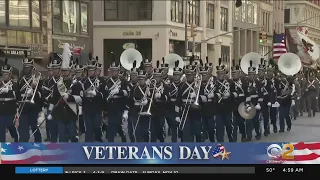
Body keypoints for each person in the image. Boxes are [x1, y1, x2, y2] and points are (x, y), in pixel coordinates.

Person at [49, 58, 83, 142]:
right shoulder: (58, 84)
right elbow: (54, 100)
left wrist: (69, 97)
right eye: (63, 70)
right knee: (62, 139)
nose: (64, 73)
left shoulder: (76, 84)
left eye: (66, 71)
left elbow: (80, 99)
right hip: (60, 115)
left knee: (73, 137)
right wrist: (50, 112)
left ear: (71, 71)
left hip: (72, 114)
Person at [16, 51, 43, 142]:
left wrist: (35, 90)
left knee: (35, 128)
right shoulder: (20, 80)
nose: (26, 69)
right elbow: (17, 94)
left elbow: (41, 95)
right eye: (25, 67)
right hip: (23, 108)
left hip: (33, 108)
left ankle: (38, 144)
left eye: (28, 67)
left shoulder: (37, 79)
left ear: (32, 68)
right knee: (23, 132)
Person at [102, 54, 129, 142]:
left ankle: (122, 136)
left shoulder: (122, 80)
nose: (114, 72)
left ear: (118, 71)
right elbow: (105, 94)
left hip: (119, 107)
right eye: (112, 70)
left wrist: (119, 91)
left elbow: (126, 93)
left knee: (117, 124)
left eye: (115, 70)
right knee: (111, 127)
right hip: (110, 107)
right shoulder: (107, 81)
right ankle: (111, 144)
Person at [82, 53, 104, 142]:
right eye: (89, 70)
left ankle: (99, 143)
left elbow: (104, 95)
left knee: (97, 128)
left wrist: (96, 94)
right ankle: (87, 148)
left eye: (92, 70)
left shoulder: (101, 81)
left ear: (95, 70)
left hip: (97, 108)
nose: (90, 72)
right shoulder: (83, 81)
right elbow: (80, 94)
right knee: (89, 130)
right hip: (87, 109)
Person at [128, 64, 152, 142]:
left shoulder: (149, 88)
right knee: (137, 132)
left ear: (145, 79)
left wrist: (147, 102)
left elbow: (152, 100)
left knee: (145, 131)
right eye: (140, 79)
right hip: (136, 112)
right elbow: (130, 101)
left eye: (143, 79)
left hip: (145, 112)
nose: (141, 80)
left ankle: (146, 145)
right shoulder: (134, 89)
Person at [214, 58, 235, 142]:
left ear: (224, 73)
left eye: (222, 73)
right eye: (218, 73)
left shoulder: (230, 82)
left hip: (228, 109)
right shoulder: (214, 83)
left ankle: (231, 140)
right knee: (219, 129)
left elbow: (235, 94)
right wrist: (216, 95)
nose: (220, 75)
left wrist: (229, 94)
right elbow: (210, 95)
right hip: (218, 110)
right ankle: (220, 147)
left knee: (229, 128)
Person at [150, 61, 169, 142]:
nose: (156, 78)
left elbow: (168, 98)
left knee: (159, 130)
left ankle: (161, 142)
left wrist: (161, 97)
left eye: (158, 77)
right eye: (155, 76)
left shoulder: (166, 86)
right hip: (152, 111)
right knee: (152, 131)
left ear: (161, 77)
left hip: (161, 111)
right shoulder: (150, 86)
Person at [0, 58, 18, 142]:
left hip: (11, 112)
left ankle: (16, 142)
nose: (5, 75)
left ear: (10, 74)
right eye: (3, 73)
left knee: (12, 130)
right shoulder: (0, 85)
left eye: (6, 74)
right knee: (1, 133)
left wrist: (9, 91)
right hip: (1, 112)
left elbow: (17, 97)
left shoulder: (14, 85)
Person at [231, 59, 248, 142]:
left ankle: (244, 136)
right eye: (232, 73)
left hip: (241, 106)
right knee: (233, 124)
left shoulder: (244, 83)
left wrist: (247, 105)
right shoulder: (229, 83)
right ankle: (234, 140)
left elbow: (247, 95)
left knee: (241, 123)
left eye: (235, 73)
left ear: (239, 73)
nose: (233, 74)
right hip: (233, 107)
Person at [245, 61, 262, 141]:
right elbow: (246, 95)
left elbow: (261, 95)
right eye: (249, 74)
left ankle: (258, 134)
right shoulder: (245, 83)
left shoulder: (258, 83)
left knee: (256, 121)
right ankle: (249, 136)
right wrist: (247, 105)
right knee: (248, 121)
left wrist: (259, 104)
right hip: (249, 105)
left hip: (256, 104)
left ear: (254, 74)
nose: (250, 76)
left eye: (252, 74)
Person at [167, 60, 183, 142]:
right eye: (175, 75)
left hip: (181, 109)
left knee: (182, 130)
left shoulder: (183, 85)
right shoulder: (169, 85)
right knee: (173, 131)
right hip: (172, 109)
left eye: (178, 75)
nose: (176, 77)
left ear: (180, 76)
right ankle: (174, 146)